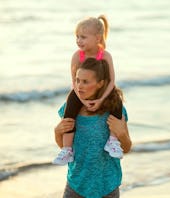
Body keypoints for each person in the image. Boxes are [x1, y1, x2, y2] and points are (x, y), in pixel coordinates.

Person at [54, 58, 132, 198]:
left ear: (100, 84)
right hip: (76, 185)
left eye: (85, 82)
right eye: (77, 80)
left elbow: (126, 148)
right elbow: (65, 148)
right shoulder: (70, 109)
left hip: (107, 186)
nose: (79, 86)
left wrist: (121, 133)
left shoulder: (115, 109)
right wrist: (57, 132)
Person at [53, 15, 123, 165]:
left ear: (98, 38)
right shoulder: (77, 56)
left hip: (103, 91)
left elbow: (111, 81)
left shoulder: (104, 55)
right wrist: (83, 100)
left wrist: (101, 100)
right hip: (81, 93)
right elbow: (74, 83)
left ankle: (112, 141)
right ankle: (67, 150)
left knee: (116, 98)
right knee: (70, 107)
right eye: (77, 37)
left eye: (83, 37)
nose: (79, 40)